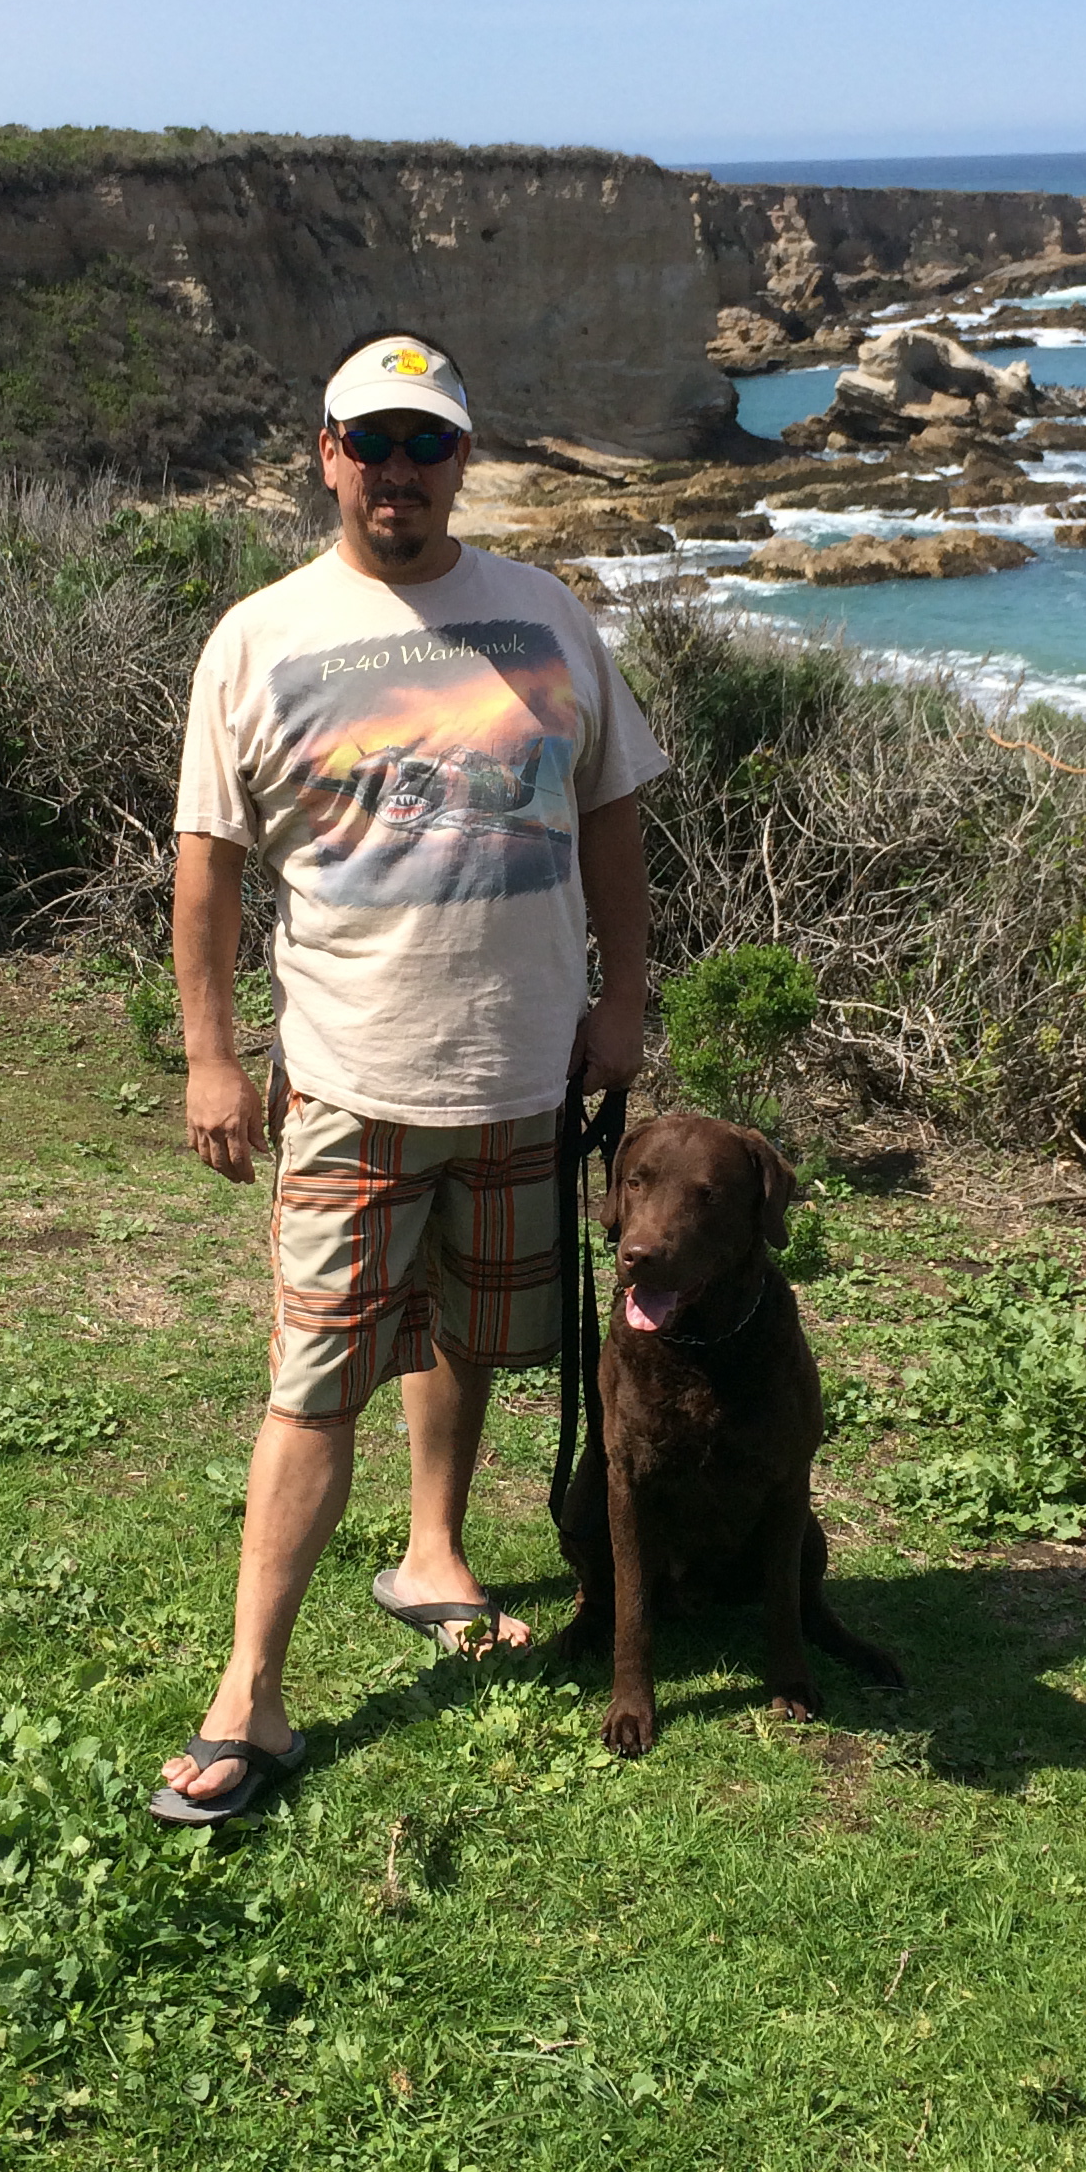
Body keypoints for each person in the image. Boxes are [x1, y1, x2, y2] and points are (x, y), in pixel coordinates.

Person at [149, 330, 668, 1821]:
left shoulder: (547, 613)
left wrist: (623, 996)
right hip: (351, 1079)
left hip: (524, 1073)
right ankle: (252, 1694)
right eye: (371, 443)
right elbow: (207, 864)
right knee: (315, 1380)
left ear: (463, 460)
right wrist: (210, 1057)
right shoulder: (260, 636)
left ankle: (433, 1553)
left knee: (468, 1333)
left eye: (426, 444)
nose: (398, 471)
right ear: (326, 455)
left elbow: (612, 816)